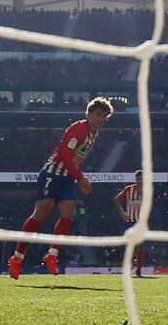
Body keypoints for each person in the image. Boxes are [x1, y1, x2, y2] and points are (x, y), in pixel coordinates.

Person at [8, 97, 113, 280]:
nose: (101, 119)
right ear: (88, 114)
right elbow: (64, 155)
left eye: (104, 116)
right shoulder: (78, 129)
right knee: (41, 214)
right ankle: (17, 258)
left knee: (68, 214)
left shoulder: (94, 133)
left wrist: (77, 176)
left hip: (67, 177)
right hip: (51, 174)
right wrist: (81, 178)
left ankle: (52, 255)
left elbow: (76, 158)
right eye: (98, 115)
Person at [114, 170, 145, 277]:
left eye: (142, 178)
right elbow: (116, 200)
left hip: (141, 222)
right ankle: (129, 268)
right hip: (130, 221)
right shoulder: (128, 189)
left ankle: (139, 270)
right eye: (139, 179)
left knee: (140, 246)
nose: (140, 181)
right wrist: (122, 213)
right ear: (135, 179)